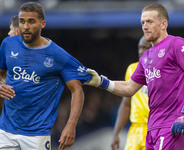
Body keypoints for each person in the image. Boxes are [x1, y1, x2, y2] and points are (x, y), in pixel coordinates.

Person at [85, 3, 184, 150]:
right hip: (152, 128)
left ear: (163, 24)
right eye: (143, 23)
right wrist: (101, 82)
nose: (145, 26)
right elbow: (129, 88)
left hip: (173, 124)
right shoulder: (146, 57)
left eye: (150, 22)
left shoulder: (176, 44)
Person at [0, 2, 91, 150]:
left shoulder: (57, 55)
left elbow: (77, 90)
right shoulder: (8, 44)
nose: (26, 27)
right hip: (6, 130)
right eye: (22, 21)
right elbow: (1, 74)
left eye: (31, 21)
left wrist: (71, 125)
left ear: (42, 24)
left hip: (37, 134)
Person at [111, 36, 151, 150]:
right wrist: (116, 133)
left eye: (145, 48)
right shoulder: (132, 69)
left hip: (155, 128)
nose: (141, 51)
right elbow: (126, 103)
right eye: (140, 47)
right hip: (135, 130)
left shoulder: (163, 71)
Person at [0, 15, 20, 115]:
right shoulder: (6, 47)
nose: (8, 33)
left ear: (17, 32)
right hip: (8, 116)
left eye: (10, 29)